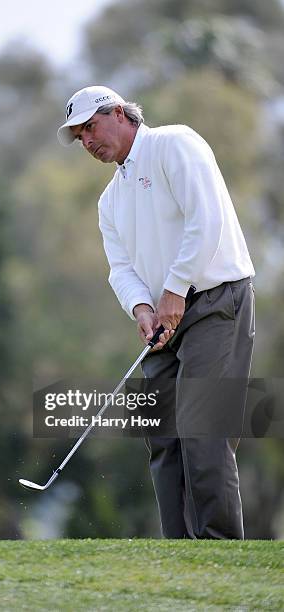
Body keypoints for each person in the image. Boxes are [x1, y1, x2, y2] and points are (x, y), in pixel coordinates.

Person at [57, 85, 255, 539]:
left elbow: (205, 221)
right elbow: (121, 268)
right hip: (163, 320)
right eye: (79, 135)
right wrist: (142, 307)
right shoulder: (110, 200)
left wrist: (173, 290)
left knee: (204, 428)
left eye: (90, 126)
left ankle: (219, 548)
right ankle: (181, 550)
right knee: (162, 434)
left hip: (216, 301)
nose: (87, 141)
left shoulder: (174, 143)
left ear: (122, 113)